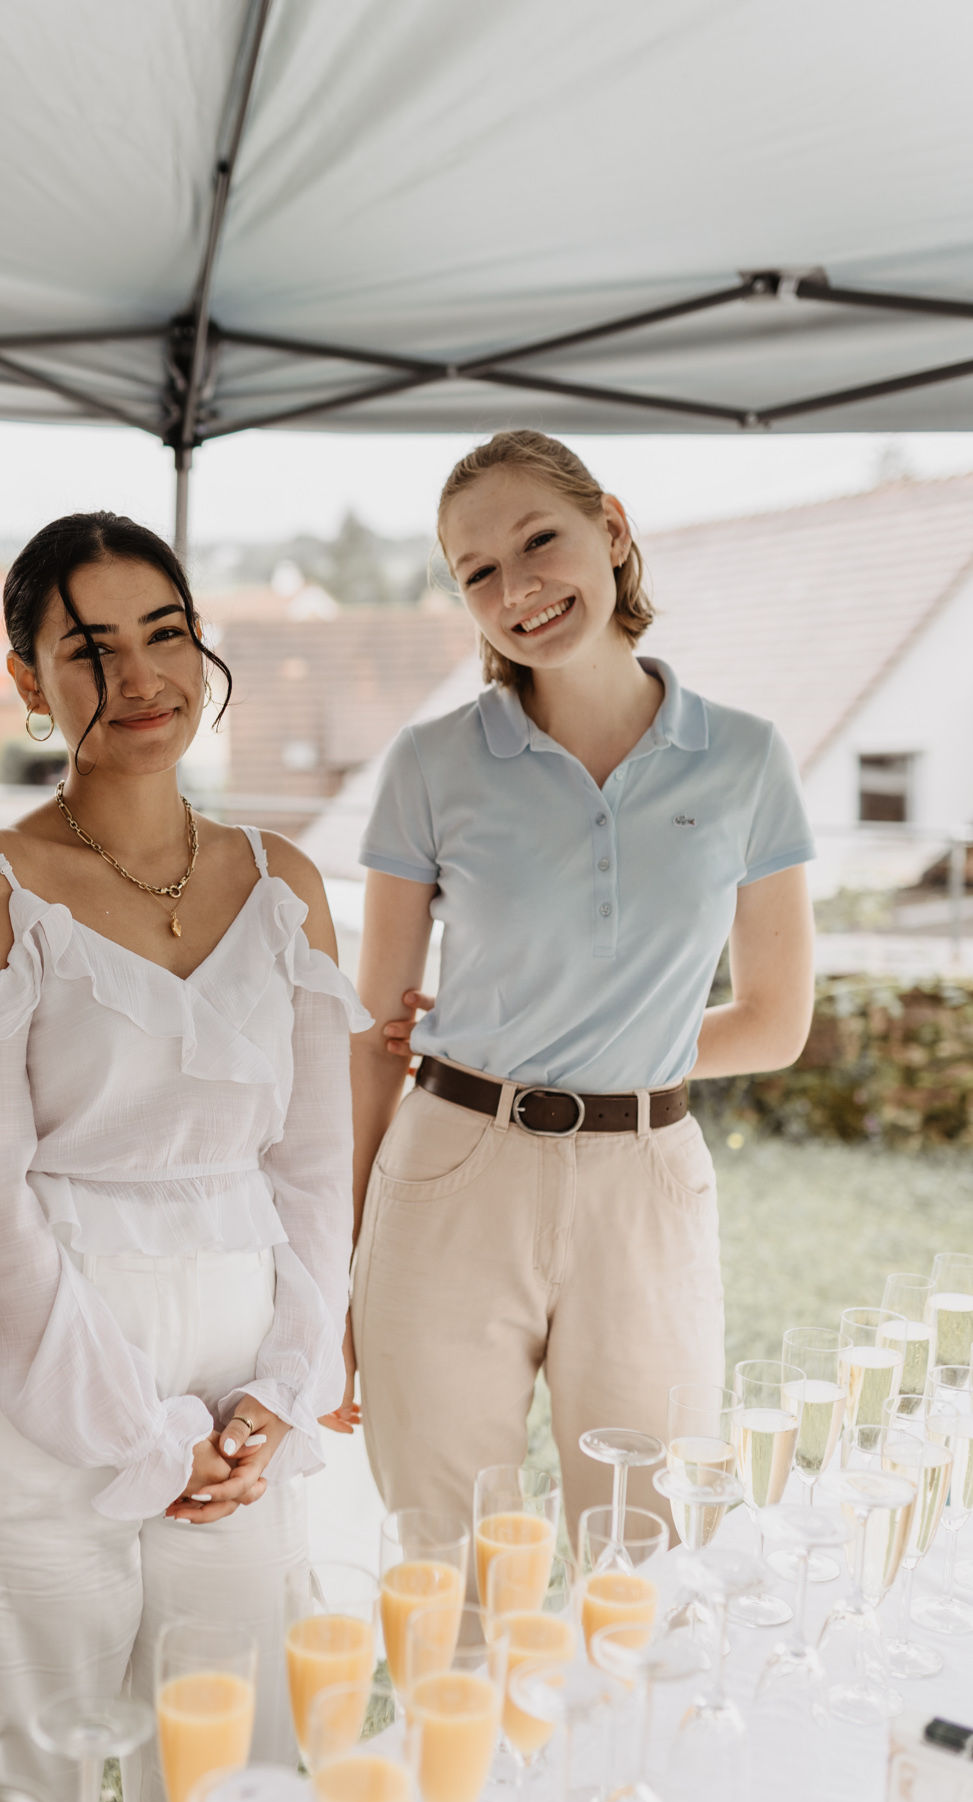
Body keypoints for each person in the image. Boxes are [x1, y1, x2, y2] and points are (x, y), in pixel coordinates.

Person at [0, 512, 367, 1802]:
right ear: (29, 682)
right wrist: (141, 1439)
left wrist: (275, 1398)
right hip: (33, 1421)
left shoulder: (287, 888)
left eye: (164, 631)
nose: (141, 674)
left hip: (236, 1423)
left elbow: (313, 1168)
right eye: (89, 648)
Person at [349, 431, 815, 1543]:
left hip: (646, 1182)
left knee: (643, 1548)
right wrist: (341, 1256)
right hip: (450, 1173)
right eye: (477, 572)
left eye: (538, 539)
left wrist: (613, 1055)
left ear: (610, 527)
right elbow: (373, 1033)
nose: (517, 588)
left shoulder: (746, 758)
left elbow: (774, 1021)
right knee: (447, 1548)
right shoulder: (430, 764)